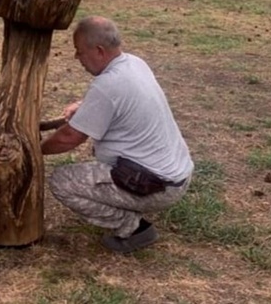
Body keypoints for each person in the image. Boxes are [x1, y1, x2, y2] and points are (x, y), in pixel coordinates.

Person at [41, 16, 194, 253]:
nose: (77, 58)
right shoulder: (134, 63)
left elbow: (70, 137)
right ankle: (131, 206)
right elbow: (121, 98)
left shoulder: (107, 86)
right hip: (176, 175)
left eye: (79, 52)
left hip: (156, 184)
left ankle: (134, 228)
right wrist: (85, 105)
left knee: (62, 181)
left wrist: (33, 148)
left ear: (99, 51)